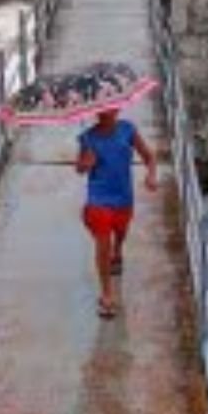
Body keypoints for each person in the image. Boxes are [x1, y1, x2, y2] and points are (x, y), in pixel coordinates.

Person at [76, 109, 158, 319]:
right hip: (98, 200)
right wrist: (86, 163)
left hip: (123, 197)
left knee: (120, 234)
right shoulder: (87, 137)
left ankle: (118, 252)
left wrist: (150, 176)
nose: (105, 114)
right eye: (101, 111)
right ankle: (106, 295)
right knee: (103, 244)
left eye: (110, 110)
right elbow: (80, 168)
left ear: (118, 109)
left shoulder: (127, 129)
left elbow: (149, 157)